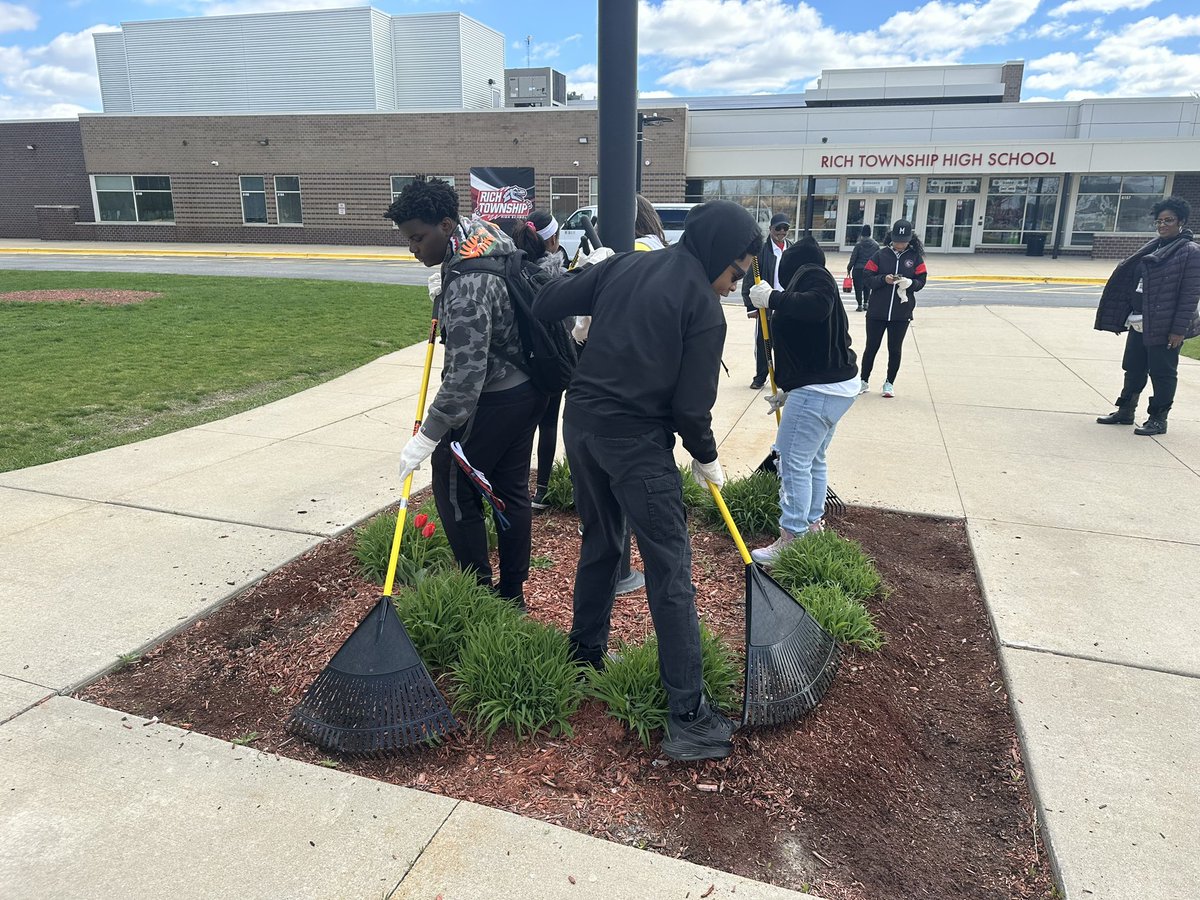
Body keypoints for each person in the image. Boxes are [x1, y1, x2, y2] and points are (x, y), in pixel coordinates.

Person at [533, 199, 762, 762]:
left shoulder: (625, 265)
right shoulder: (704, 311)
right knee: (669, 574)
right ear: (715, 255)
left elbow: (546, 302)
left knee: (601, 541)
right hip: (636, 447)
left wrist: (589, 275)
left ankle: (584, 657)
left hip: (581, 427)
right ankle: (688, 716)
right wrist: (706, 457)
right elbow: (690, 410)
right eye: (735, 272)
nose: (735, 286)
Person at [387, 178, 547, 611]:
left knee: (452, 476)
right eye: (408, 241)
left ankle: (478, 592)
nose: (413, 249)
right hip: (528, 387)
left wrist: (428, 437)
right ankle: (512, 594)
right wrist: (445, 278)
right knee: (512, 489)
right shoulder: (483, 235)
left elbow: (464, 378)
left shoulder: (467, 286)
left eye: (418, 239)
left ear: (444, 225)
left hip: (495, 395)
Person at [746, 236, 859, 564]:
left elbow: (815, 306)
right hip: (833, 386)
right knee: (813, 460)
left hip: (819, 390)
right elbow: (808, 338)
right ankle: (810, 525)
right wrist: (787, 388)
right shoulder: (809, 281)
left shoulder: (813, 275)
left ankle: (792, 536)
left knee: (791, 461)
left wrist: (773, 298)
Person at [1094, 196, 1200, 435]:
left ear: (1181, 221)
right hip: (1141, 320)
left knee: (1162, 372)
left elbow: (1189, 296)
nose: (1163, 225)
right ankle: (1126, 411)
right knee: (1133, 366)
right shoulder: (1155, 246)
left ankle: (1158, 418)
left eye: (1169, 220)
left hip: (1166, 325)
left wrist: (1178, 330)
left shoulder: (1190, 252)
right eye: (1159, 221)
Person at [859, 219, 927, 398]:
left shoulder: (914, 258)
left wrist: (910, 283)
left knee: (895, 349)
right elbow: (867, 277)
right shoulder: (880, 255)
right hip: (877, 312)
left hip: (901, 313)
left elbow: (921, 281)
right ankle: (863, 380)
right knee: (871, 347)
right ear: (891, 238)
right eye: (897, 240)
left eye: (904, 241)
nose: (900, 244)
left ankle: (889, 383)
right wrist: (883, 279)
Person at [742, 212, 794, 389]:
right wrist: (751, 306)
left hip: (787, 301)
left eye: (785, 228)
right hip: (766, 302)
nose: (781, 231)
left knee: (786, 341)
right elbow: (750, 278)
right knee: (764, 341)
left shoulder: (792, 249)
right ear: (771, 229)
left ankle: (783, 376)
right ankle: (761, 376)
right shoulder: (761, 251)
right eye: (778, 228)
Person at [846, 223, 880, 312]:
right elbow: (878, 258)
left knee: (858, 288)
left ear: (862, 233)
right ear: (870, 233)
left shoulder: (858, 245)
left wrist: (849, 267)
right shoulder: (876, 245)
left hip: (858, 269)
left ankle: (859, 305)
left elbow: (853, 257)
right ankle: (866, 303)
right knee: (867, 287)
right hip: (870, 269)